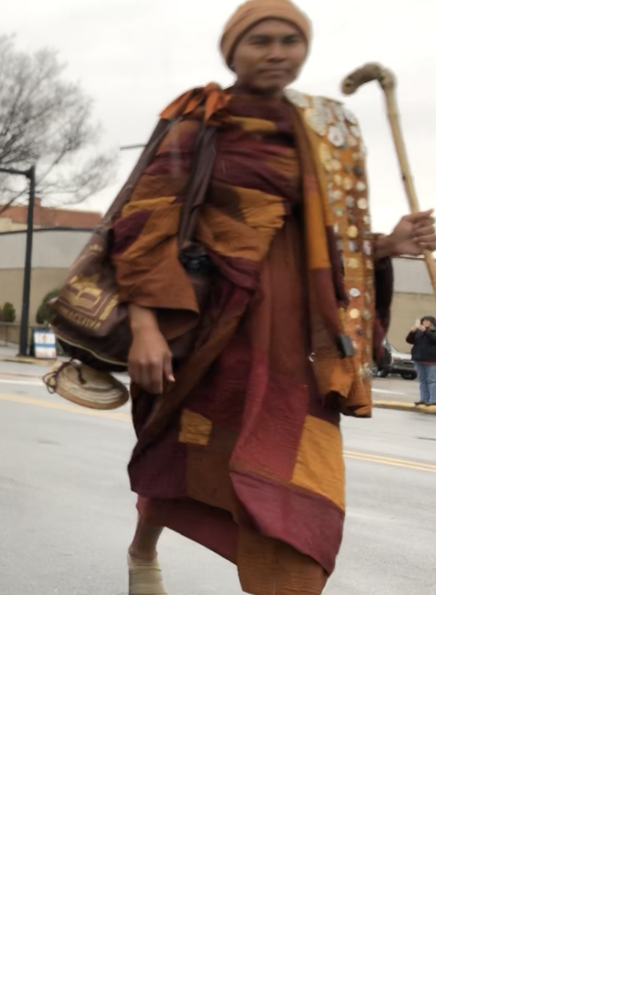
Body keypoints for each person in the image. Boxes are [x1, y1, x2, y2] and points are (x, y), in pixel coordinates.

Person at [111, 0, 438, 595]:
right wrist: (145, 327)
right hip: (207, 334)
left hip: (297, 351)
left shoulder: (323, 134)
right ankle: (142, 549)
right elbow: (145, 226)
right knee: (187, 458)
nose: (278, 52)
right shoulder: (199, 123)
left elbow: (331, 240)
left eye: (291, 40)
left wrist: (389, 244)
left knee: (299, 484)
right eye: (261, 40)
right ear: (231, 49)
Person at [407, 315, 435, 408]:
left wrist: (425, 331)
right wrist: (412, 332)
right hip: (419, 359)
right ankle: (423, 399)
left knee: (432, 380)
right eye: (424, 321)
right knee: (422, 380)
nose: (425, 323)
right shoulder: (419, 332)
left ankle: (433, 400)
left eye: (427, 321)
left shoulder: (433, 331)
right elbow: (409, 340)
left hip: (431, 360)